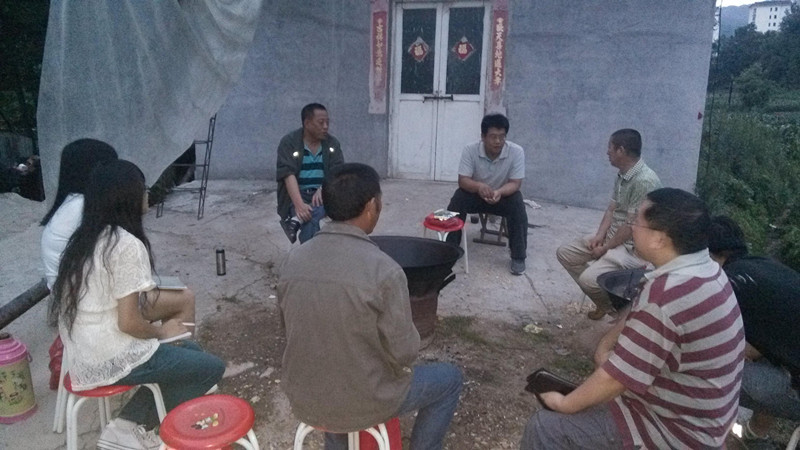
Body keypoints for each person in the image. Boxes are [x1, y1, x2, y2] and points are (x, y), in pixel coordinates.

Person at [521, 188, 744, 449]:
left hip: (677, 432)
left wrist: (564, 403)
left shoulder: (667, 297)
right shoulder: (706, 269)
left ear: (659, 239)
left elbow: (615, 379)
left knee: (546, 428)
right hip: (704, 417)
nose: (631, 227)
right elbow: (636, 318)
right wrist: (604, 347)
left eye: (637, 221)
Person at [278, 163, 462, 450]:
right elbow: (404, 353)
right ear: (371, 206)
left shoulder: (293, 260)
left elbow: (289, 331)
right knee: (449, 379)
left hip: (304, 396)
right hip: (361, 403)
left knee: (339, 374)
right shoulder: (384, 270)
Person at [49, 160, 225, 450]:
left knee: (191, 352)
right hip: (110, 353)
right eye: (143, 189)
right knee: (212, 368)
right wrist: (161, 332)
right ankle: (133, 428)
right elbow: (128, 322)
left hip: (85, 352)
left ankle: (126, 424)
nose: (148, 194)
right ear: (126, 197)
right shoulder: (125, 244)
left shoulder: (85, 238)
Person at [41, 139, 195, 325]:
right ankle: (171, 341)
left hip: (77, 296)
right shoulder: (85, 209)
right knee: (185, 298)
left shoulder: (72, 204)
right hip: (88, 305)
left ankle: (166, 339)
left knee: (163, 290)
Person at [708, 215, 800, 442]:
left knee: (700, 367)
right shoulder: (761, 264)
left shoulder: (731, 281)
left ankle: (706, 437)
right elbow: (769, 340)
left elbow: (734, 348)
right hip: (792, 367)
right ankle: (754, 435)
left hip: (795, 389)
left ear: (709, 254)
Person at [556, 129, 662, 319]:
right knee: (565, 253)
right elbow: (611, 210)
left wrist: (605, 248)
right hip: (612, 238)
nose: (607, 152)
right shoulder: (623, 174)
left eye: (610, 148)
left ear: (621, 150)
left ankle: (619, 312)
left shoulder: (644, 181)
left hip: (631, 247)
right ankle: (604, 302)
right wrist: (599, 237)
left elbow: (631, 227)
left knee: (588, 281)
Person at [445, 113, 528, 275]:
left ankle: (518, 256)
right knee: (458, 198)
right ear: (483, 137)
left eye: (502, 137)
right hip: (477, 195)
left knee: (517, 202)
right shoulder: (470, 150)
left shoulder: (516, 152)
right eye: (493, 137)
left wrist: (499, 192)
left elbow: (515, 183)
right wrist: (479, 187)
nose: (498, 141)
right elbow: (463, 180)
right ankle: (450, 248)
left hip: (501, 195)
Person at [275, 103, 344, 244]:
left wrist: (323, 188)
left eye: (327, 122)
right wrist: (299, 205)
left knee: (311, 217)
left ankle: (296, 224)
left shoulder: (332, 144)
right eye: (321, 122)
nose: (326, 127)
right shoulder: (289, 142)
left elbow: (337, 172)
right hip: (297, 195)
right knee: (310, 217)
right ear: (307, 123)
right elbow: (287, 174)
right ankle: (313, 251)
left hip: (323, 195)